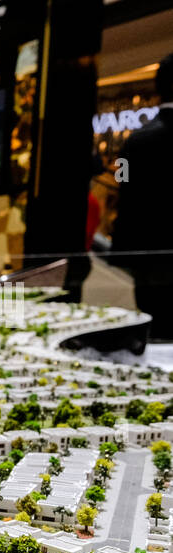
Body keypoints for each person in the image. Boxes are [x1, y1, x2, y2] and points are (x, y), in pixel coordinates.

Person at [111, 53, 173, 339]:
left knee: (159, 337)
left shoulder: (137, 141)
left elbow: (127, 197)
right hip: (152, 264)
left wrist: (122, 255)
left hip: (150, 266)